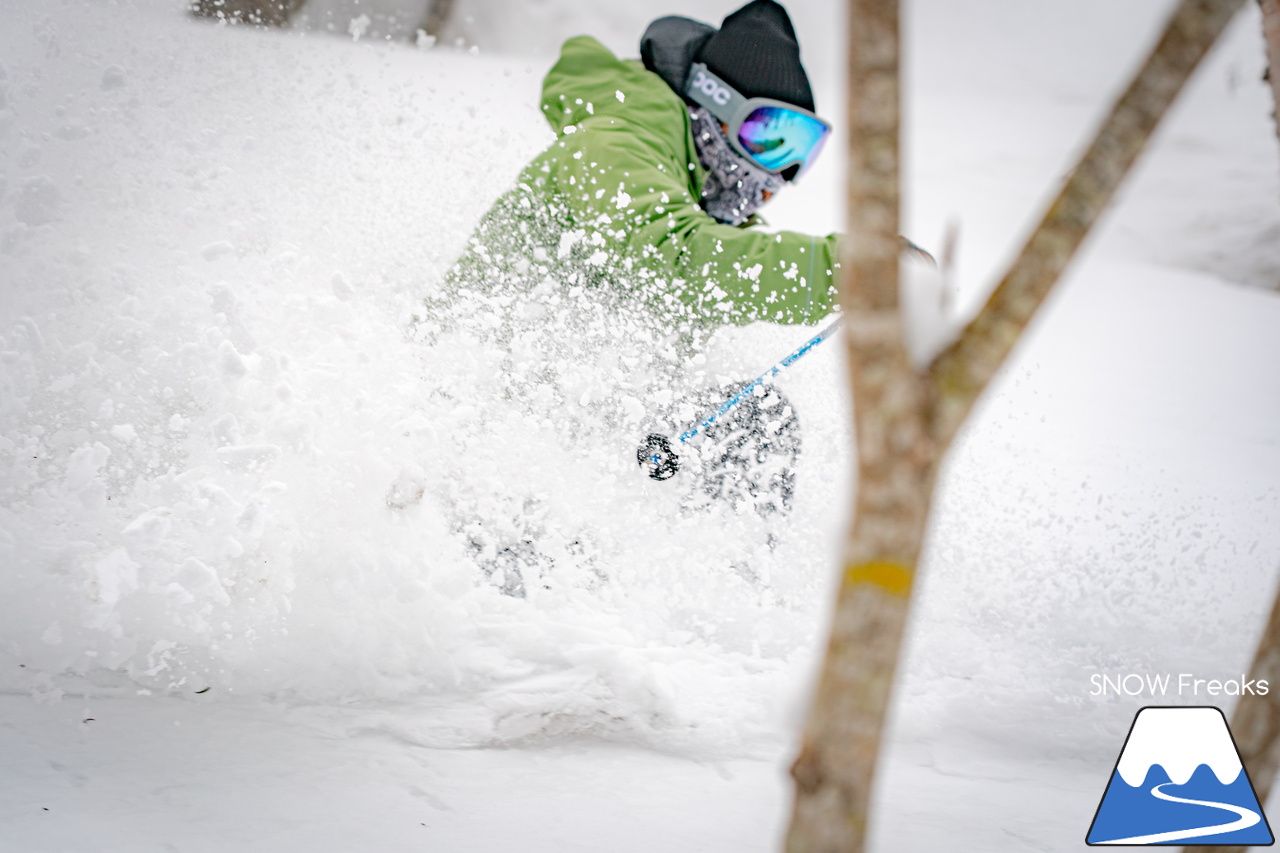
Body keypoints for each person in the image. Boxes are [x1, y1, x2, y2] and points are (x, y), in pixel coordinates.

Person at [439, 0, 840, 333]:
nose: (783, 170)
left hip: (567, 394)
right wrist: (842, 273)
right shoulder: (615, 144)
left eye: (805, 147)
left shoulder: (698, 197)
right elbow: (675, 260)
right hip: (469, 379)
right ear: (715, 105)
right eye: (769, 136)